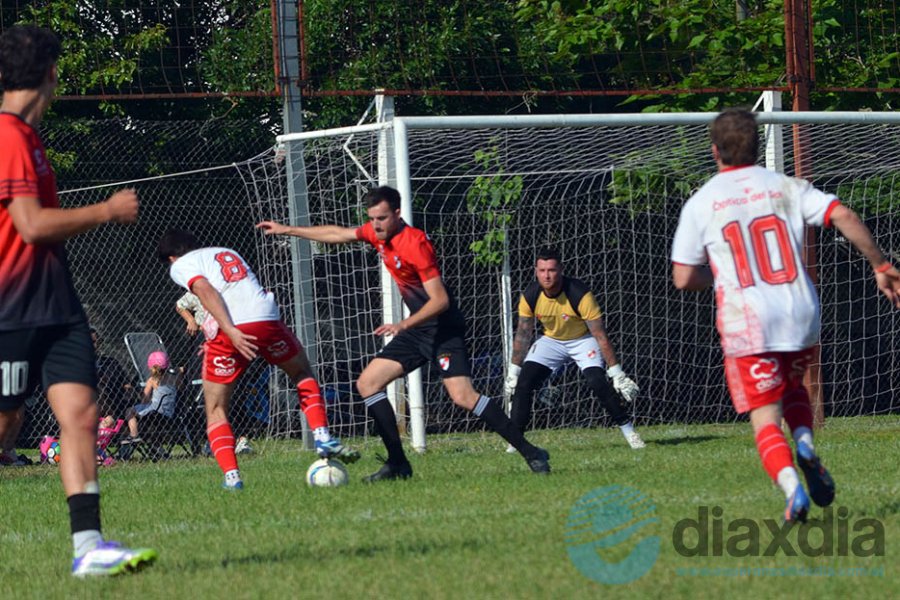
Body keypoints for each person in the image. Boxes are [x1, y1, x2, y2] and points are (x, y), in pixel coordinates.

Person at [671, 108, 900, 523]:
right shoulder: (785, 186)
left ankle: (793, 490)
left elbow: (684, 278)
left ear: (714, 150)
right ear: (757, 147)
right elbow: (843, 215)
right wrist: (880, 265)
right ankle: (806, 445)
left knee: (765, 416)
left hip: (748, 321)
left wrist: (721, 274)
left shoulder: (702, 202)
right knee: (793, 386)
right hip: (800, 312)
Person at [257, 185, 551, 482]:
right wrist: (288, 230)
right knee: (368, 383)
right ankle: (397, 463)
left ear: (397, 214)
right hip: (417, 330)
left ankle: (531, 452)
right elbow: (338, 234)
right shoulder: (377, 233)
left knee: (463, 396)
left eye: (382, 218)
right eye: (372, 218)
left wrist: (402, 325)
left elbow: (440, 300)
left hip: (443, 330)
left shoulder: (415, 244)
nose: (376, 225)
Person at [0, 25, 157, 575]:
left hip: (59, 308)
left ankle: (88, 548)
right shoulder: (8, 136)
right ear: (51, 73)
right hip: (12, 309)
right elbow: (31, 225)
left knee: (83, 416)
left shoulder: (28, 135)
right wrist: (106, 211)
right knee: (6, 424)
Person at [157, 229, 360, 490]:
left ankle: (233, 479)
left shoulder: (181, 265)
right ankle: (322, 435)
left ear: (172, 257)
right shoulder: (226, 252)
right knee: (301, 374)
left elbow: (206, 291)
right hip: (266, 318)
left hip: (231, 328)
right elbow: (238, 290)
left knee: (216, 409)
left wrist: (228, 331)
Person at [504, 247, 645, 451]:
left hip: (582, 340)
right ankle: (515, 442)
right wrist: (513, 371)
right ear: (536, 271)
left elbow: (600, 335)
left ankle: (629, 431)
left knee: (597, 381)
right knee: (523, 383)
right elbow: (523, 334)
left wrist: (617, 372)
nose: (547, 275)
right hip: (551, 341)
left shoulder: (579, 294)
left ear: (561, 270)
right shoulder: (530, 295)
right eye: (542, 270)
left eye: (551, 270)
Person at [123, 351, 183, 443]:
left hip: (154, 412)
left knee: (129, 411)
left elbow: (145, 400)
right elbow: (181, 388)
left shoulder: (152, 380)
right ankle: (154, 444)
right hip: (169, 413)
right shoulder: (175, 379)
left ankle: (134, 435)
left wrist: (136, 392)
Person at [90, 326, 134, 423]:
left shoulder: (111, 362)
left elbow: (126, 384)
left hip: (116, 404)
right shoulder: (77, 366)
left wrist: (128, 394)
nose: (94, 345)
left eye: (96, 342)